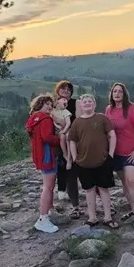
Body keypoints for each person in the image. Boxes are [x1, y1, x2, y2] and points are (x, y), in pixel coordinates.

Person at [68, 93, 118, 228]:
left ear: (94, 104)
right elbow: (72, 141)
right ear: (81, 105)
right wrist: (74, 157)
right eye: (85, 102)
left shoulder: (102, 118)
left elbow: (112, 135)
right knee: (89, 190)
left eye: (90, 101)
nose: (87, 103)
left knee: (104, 189)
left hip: (102, 161)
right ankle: (92, 217)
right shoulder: (77, 122)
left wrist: (111, 154)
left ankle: (108, 217)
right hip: (83, 162)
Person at [106, 82, 134, 228]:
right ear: (111, 94)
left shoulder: (131, 108)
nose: (117, 94)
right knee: (124, 182)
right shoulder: (109, 110)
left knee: (131, 180)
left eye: (120, 92)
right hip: (116, 152)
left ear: (124, 94)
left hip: (131, 153)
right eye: (114, 91)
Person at [25, 94, 61, 234]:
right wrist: (60, 139)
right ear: (40, 104)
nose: (50, 107)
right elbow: (47, 138)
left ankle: (49, 211)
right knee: (48, 186)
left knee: (48, 186)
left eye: (51, 105)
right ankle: (43, 219)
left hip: (40, 156)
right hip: (48, 156)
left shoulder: (34, 119)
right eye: (47, 104)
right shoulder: (46, 119)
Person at [53, 80, 81, 217]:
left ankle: (106, 203)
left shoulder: (75, 103)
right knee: (69, 175)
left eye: (68, 89)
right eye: (63, 89)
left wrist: (65, 126)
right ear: (57, 91)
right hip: (60, 143)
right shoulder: (53, 104)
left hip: (77, 141)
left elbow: (80, 121)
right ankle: (76, 206)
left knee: (88, 172)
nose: (65, 91)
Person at [52, 96, 73, 169]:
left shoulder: (65, 111)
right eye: (64, 100)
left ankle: (70, 157)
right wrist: (58, 127)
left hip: (66, 129)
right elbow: (53, 121)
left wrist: (64, 130)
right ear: (57, 101)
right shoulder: (52, 111)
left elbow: (68, 123)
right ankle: (65, 154)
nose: (66, 101)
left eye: (66, 101)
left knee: (68, 136)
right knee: (62, 137)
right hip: (58, 130)